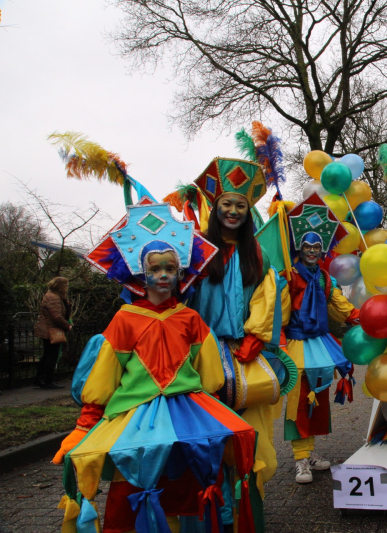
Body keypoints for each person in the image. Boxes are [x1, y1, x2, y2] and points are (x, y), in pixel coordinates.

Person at [52, 201, 260, 533]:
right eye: (155, 268)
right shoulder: (124, 319)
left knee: (187, 486)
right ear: (140, 273)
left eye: (170, 268)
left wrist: (215, 413)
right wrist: (84, 425)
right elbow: (104, 378)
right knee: (131, 486)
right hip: (136, 417)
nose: (163, 275)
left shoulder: (191, 319)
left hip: (187, 414)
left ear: (181, 274)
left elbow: (211, 378)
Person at [184, 157, 294, 525]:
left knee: (253, 440)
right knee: (207, 438)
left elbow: (267, 297)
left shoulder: (257, 253)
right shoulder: (195, 250)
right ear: (215, 209)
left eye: (240, 205)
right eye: (226, 204)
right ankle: (211, 510)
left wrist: (256, 337)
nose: (233, 211)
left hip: (245, 356)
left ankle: (248, 507)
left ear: (249, 211)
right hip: (200, 359)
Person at [280, 196, 359, 484]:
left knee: (318, 401)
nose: (312, 251)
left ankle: (310, 453)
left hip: (321, 343)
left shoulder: (325, 278)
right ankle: (300, 459)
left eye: (317, 247)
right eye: (307, 247)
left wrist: (362, 318)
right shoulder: (288, 276)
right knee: (298, 403)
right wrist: (277, 346)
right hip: (297, 344)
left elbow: (339, 305)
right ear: (298, 248)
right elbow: (281, 314)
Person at [33, 276, 72, 389]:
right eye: (66, 285)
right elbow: (57, 317)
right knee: (51, 356)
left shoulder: (52, 296)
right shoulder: (54, 298)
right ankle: (48, 380)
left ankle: (39, 378)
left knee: (47, 355)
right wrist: (67, 326)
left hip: (48, 329)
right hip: (51, 330)